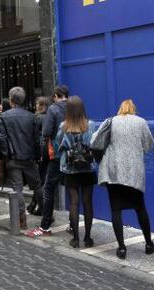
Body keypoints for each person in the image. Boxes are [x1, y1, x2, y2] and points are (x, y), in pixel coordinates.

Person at [93, 99, 154, 259]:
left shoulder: (111, 121)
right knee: (140, 208)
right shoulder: (141, 122)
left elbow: (95, 141)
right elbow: (149, 144)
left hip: (113, 171)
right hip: (134, 173)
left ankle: (122, 248)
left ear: (121, 109)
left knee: (116, 209)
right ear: (134, 109)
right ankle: (149, 244)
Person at [0, 87, 43, 229]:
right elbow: (37, 139)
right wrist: (37, 155)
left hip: (14, 157)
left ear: (11, 100)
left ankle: (21, 219)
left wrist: (7, 154)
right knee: (37, 185)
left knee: (17, 189)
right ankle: (47, 213)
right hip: (29, 157)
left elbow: (2, 138)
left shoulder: (4, 117)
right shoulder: (31, 116)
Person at [25, 85, 69, 237]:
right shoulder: (75, 107)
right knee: (72, 189)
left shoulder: (53, 109)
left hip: (57, 155)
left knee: (48, 188)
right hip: (73, 154)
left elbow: (47, 132)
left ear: (56, 96)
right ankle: (73, 224)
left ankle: (45, 225)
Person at [56, 96, 96, 248]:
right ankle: (88, 238)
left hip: (69, 168)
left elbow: (58, 144)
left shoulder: (63, 126)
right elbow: (95, 143)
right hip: (87, 169)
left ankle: (76, 239)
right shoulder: (90, 125)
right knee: (88, 202)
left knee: (73, 202)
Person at [27, 96, 52, 216]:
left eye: (37, 104)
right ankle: (33, 204)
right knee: (43, 180)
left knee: (39, 181)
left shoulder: (37, 118)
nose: (35, 106)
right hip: (50, 152)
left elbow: (35, 138)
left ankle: (39, 206)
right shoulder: (49, 117)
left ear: (42, 105)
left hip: (41, 152)